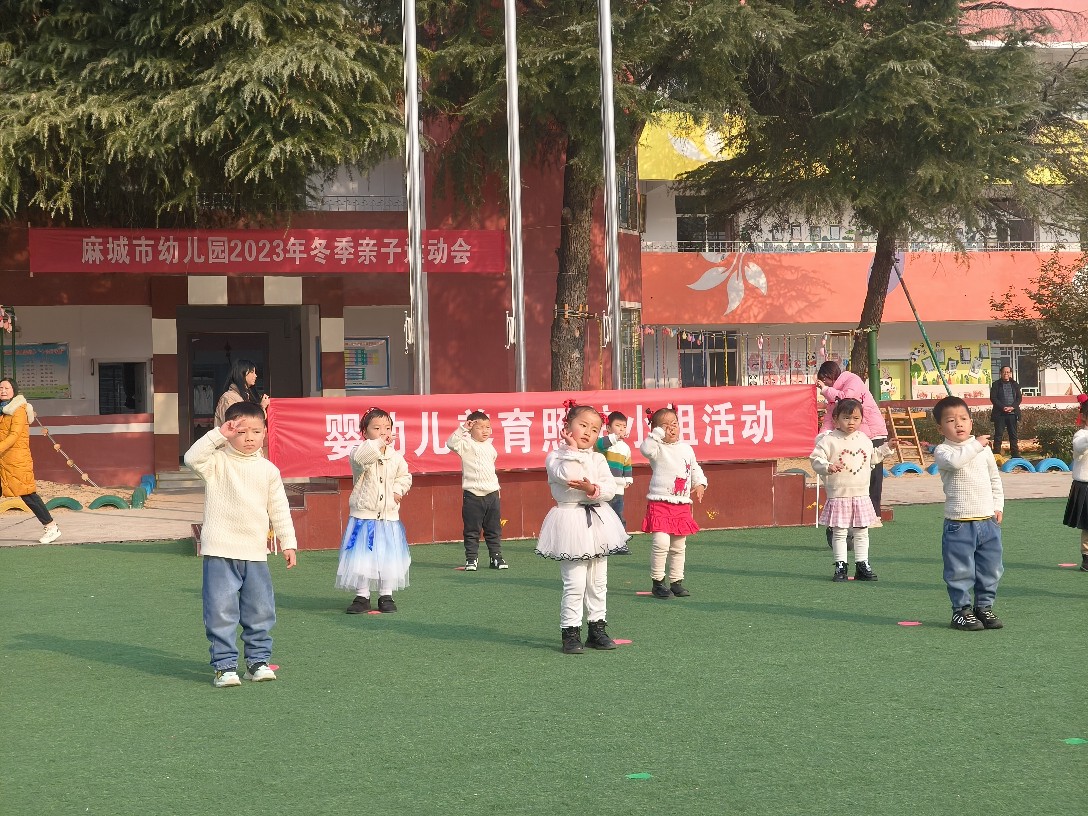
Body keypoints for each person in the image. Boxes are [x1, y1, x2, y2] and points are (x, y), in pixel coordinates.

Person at [183, 401, 298, 687]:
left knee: (260, 610)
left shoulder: (268, 470)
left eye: (256, 432)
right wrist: (218, 435)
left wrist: (288, 542)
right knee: (220, 611)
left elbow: (279, 508)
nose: (249, 438)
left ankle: (258, 662)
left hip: (255, 552)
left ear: (265, 432)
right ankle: (225, 667)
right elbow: (191, 458)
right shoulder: (216, 462)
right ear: (229, 431)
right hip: (220, 550)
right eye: (241, 431)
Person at [534, 400, 629, 654]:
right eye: (583, 425)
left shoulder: (598, 458)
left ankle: (597, 629)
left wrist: (593, 489)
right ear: (567, 427)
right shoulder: (556, 456)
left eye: (595, 429)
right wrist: (572, 450)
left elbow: (609, 489)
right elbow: (568, 476)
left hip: (598, 521)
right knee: (574, 583)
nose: (588, 432)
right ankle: (570, 632)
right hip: (570, 521)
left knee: (598, 581)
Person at [932, 395, 1005, 631]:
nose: (958, 424)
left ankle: (984, 607)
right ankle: (961, 611)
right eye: (950, 420)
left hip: (987, 520)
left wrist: (998, 505)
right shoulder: (943, 451)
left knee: (991, 568)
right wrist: (976, 445)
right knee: (959, 570)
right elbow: (957, 462)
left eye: (963, 419)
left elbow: (994, 479)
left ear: (971, 422)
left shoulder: (983, 451)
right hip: (959, 523)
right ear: (940, 428)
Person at [337, 407, 413, 614]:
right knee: (361, 558)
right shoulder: (359, 452)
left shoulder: (396, 457)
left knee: (388, 558)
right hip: (364, 517)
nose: (383, 432)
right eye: (376, 428)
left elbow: (405, 476)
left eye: (387, 428)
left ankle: (386, 595)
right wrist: (379, 443)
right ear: (365, 432)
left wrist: (398, 490)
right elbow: (362, 458)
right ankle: (362, 596)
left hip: (388, 518)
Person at [810, 398, 894, 582]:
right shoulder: (829, 440)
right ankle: (840, 566)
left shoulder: (863, 439)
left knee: (862, 532)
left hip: (861, 495)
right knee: (839, 532)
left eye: (856, 418)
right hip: (839, 494)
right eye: (846, 418)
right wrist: (827, 466)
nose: (851, 422)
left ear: (862, 419)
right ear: (836, 418)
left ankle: (862, 565)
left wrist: (887, 448)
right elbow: (815, 459)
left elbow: (872, 458)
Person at [640, 405, 707, 599]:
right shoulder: (657, 448)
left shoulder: (686, 448)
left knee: (678, 546)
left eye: (674, 424)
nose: (671, 428)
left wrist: (700, 483)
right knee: (661, 542)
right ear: (656, 429)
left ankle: (676, 582)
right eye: (665, 425)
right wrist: (657, 434)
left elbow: (694, 468)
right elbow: (645, 449)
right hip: (660, 502)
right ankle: (658, 582)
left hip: (682, 504)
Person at [816, 361, 889, 527]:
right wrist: (822, 436)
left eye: (825, 380)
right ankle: (860, 516)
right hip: (858, 436)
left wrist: (826, 390)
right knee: (859, 474)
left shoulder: (852, 380)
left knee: (874, 475)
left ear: (830, 375)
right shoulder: (833, 396)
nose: (824, 384)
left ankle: (875, 515)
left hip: (873, 432)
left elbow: (848, 399)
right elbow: (831, 417)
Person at [0, 378, 60, 544]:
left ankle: (51, 527)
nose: (3, 391)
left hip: (17, 460)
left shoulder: (19, 409)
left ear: (14, 390)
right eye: (0, 388)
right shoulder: (2, 410)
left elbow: (14, 435)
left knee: (28, 494)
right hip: (3, 460)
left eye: (6, 388)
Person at [446, 410, 506, 571]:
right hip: (473, 495)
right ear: (471, 429)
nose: (485, 431)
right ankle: (471, 560)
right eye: (480, 427)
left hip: (492, 494)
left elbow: (491, 470)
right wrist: (463, 428)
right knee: (472, 530)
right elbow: (450, 443)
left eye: (487, 427)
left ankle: (496, 558)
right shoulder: (466, 444)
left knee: (494, 529)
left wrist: (497, 491)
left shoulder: (491, 447)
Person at [1062, 394, 1088, 572]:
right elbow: (1079, 447)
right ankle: (1086, 558)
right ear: (1084, 416)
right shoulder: (1081, 434)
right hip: (1085, 485)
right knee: (1087, 525)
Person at [594, 411, 634, 527]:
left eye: (624, 426)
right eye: (618, 425)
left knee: (618, 516)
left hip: (618, 489)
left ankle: (621, 537)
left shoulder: (625, 447)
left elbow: (627, 464)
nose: (622, 429)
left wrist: (628, 479)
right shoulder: (605, 442)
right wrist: (615, 437)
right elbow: (599, 445)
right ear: (608, 428)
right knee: (602, 517)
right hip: (604, 487)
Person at [214, 359, 270, 428]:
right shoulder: (229, 397)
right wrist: (262, 407)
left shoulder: (246, 396)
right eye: (252, 372)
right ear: (242, 373)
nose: (255, 375)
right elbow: (234, 424)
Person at [989, 365, 1022, 459]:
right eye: (1004, 372)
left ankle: (1015, 454)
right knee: (998, 435)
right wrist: (1003, 407)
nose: (1006, 374)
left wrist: (1012, 407)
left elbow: (1019, 398)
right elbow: (993, 398)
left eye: (1008, 372)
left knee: (1013, 435)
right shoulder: (996, 384)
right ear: (1000, 373)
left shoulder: (1015, 384)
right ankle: (996, 454)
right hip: (1000, 414)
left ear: (1010, 373)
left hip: (1012, 413)